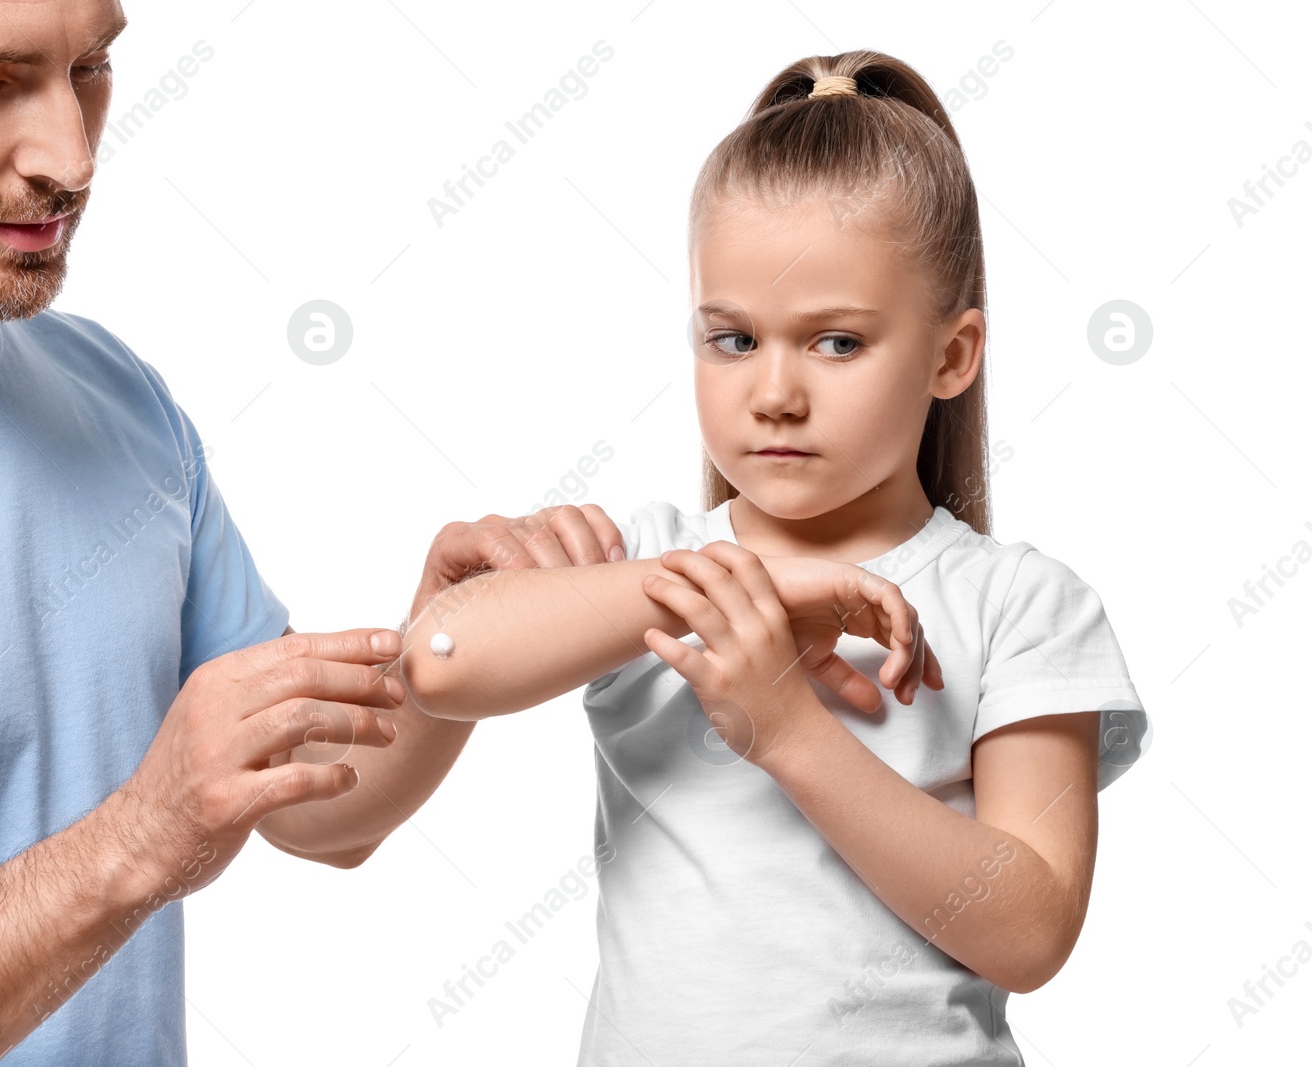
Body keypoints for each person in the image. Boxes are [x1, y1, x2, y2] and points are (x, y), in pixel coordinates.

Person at [0, 0, 625, 1063]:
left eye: (92, 65)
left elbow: (316, 812)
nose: (71, 154)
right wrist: (136, 841)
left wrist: (436, 651)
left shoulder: (112, 393)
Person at [397, 51, 1153, 1065]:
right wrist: (709, 590)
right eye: (733, 339)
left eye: (835, 342)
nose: (774, 393)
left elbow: (1027, 929)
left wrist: (789, 726)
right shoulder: (652, 562)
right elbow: (437, 659)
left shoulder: (1021, 602)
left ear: (950, 355)